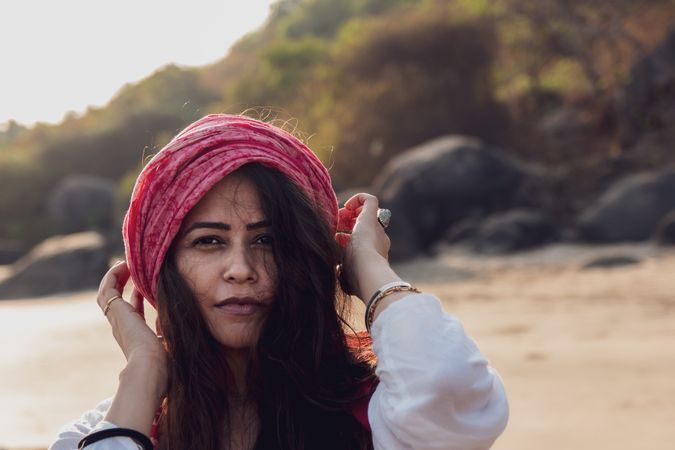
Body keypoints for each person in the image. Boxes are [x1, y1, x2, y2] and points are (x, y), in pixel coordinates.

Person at [49, 114, 508, 450]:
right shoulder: (105, 432)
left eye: (267, 239)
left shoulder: (378, 414)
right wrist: (143, 370)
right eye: (209, 241)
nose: (241, 269)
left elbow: (452, 396)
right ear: (162, 267)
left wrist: (368, 267)